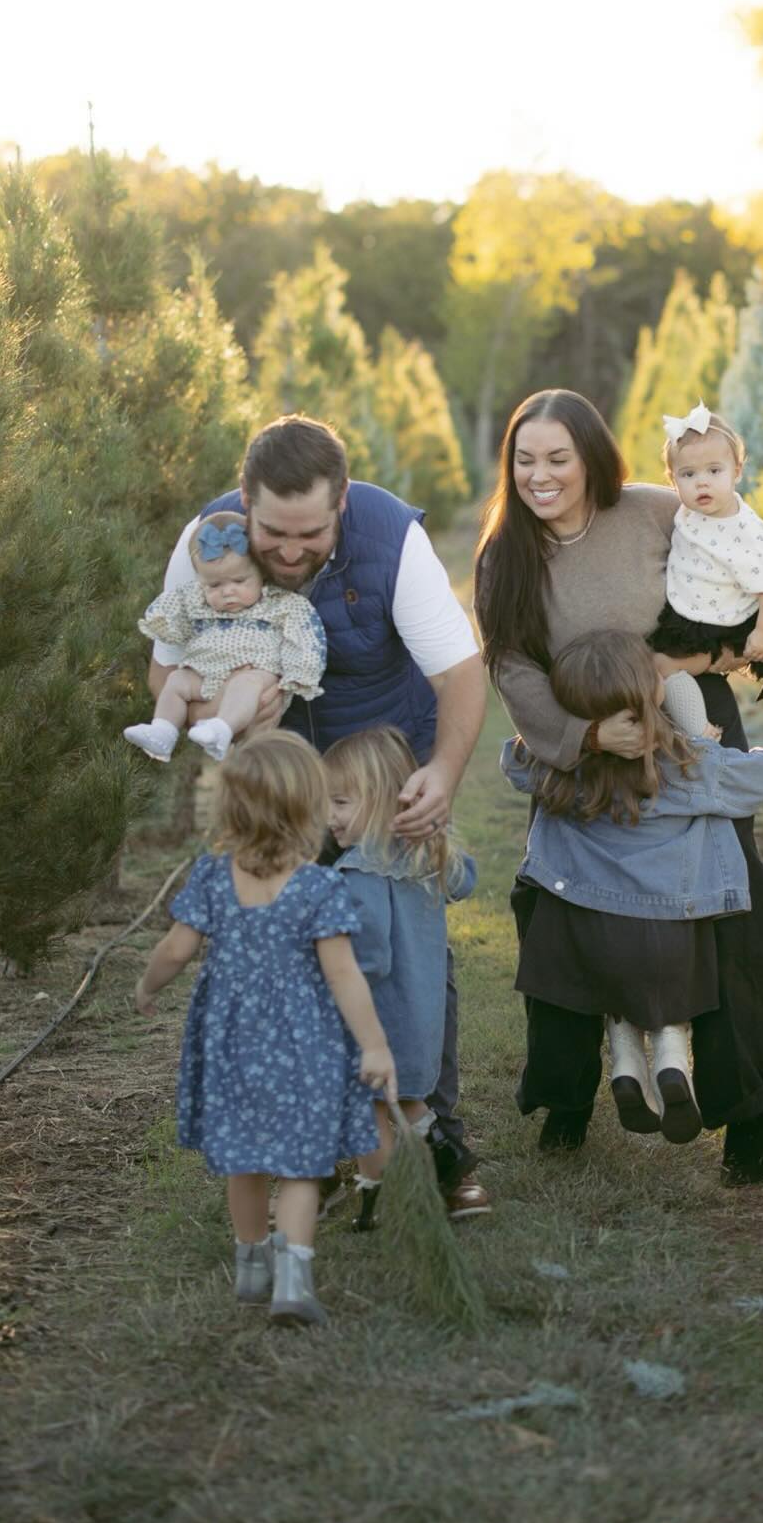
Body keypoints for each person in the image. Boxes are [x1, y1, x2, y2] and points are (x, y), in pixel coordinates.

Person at [147, 415, 490, 1216]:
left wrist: (441, 773)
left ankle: (437, 1137)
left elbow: (463, 675)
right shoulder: (207, 539)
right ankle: (326, 1142)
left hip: (375, 770)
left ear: (342, 504)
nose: (289, 550)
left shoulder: (390, 539)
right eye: (273, 532)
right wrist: (223, 702)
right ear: (244, 502)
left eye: (309, 532)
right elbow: (164, 674)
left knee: (408, 952)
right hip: (277, 784)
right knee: (295, 953)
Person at [474, 388, 763, 1186]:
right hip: (580, 737)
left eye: (558, 458)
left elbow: (742, 584)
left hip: (686, 727)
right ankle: (568, 1099)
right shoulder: (504, 554)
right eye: (525, 458)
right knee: (566, 911)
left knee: (728, 903)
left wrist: (686, 668)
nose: (540, 475)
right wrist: (581, 739)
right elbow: (509, 663)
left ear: (592, 459)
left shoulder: (655, 512)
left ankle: (745, 1111)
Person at [133, 730, 395, 1326]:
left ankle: (251, 1266)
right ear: (310, 811)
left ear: (231, 808)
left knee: (244, 1160)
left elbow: (175, 951)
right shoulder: (318, 887)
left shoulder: (212, 878)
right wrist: (375, 1044)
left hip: (232, 1046)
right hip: (304, 1047)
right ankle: (294, 1280)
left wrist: (148, 986)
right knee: (302, 1164)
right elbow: (344, 975)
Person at [500, 631, 763, 1148]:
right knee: (669, 1000)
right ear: (649, 693)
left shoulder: (559, 772)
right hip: (668, 931)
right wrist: (704, 741)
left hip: (586, 927)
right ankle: (673, 1065)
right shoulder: (686, 766)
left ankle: (617, 1077)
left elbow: (512, 761)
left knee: (610, 998)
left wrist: (573, 737)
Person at [322, 726, 479, 1230]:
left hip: (380, 1022)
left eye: (341, 802)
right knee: (411, 1102)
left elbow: (370, 959)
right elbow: (466, 879)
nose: (330, 817)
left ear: (379, 802)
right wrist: (436, 837)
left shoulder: (355, 875)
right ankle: (446, 1159)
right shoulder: (422, 857)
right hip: (423, 1019)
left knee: (372, 1114)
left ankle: (382, 1200)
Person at [124, 509, 326, 763]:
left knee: (245, 685)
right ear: (201, 582)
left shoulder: (279, 604)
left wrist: (297, 676)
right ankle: (163, 731)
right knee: (176, 680)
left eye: (240, 581)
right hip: (205, 673)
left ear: (262, 573)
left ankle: (221, 729)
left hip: (255, 673)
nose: (228, 592)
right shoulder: (196, 600)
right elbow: (169, 617)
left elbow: (305, 636)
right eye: (215, 585)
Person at [647, 402, 763, 701]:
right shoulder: (688, 510)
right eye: (688, 475)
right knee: (656, 669)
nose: (702, 482)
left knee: (667, 666)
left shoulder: (747, 530)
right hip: (688, 607)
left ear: (736, 471)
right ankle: (685, 714)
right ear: (672, 481)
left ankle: (690, 706)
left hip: (722, 620)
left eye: (714, 470)